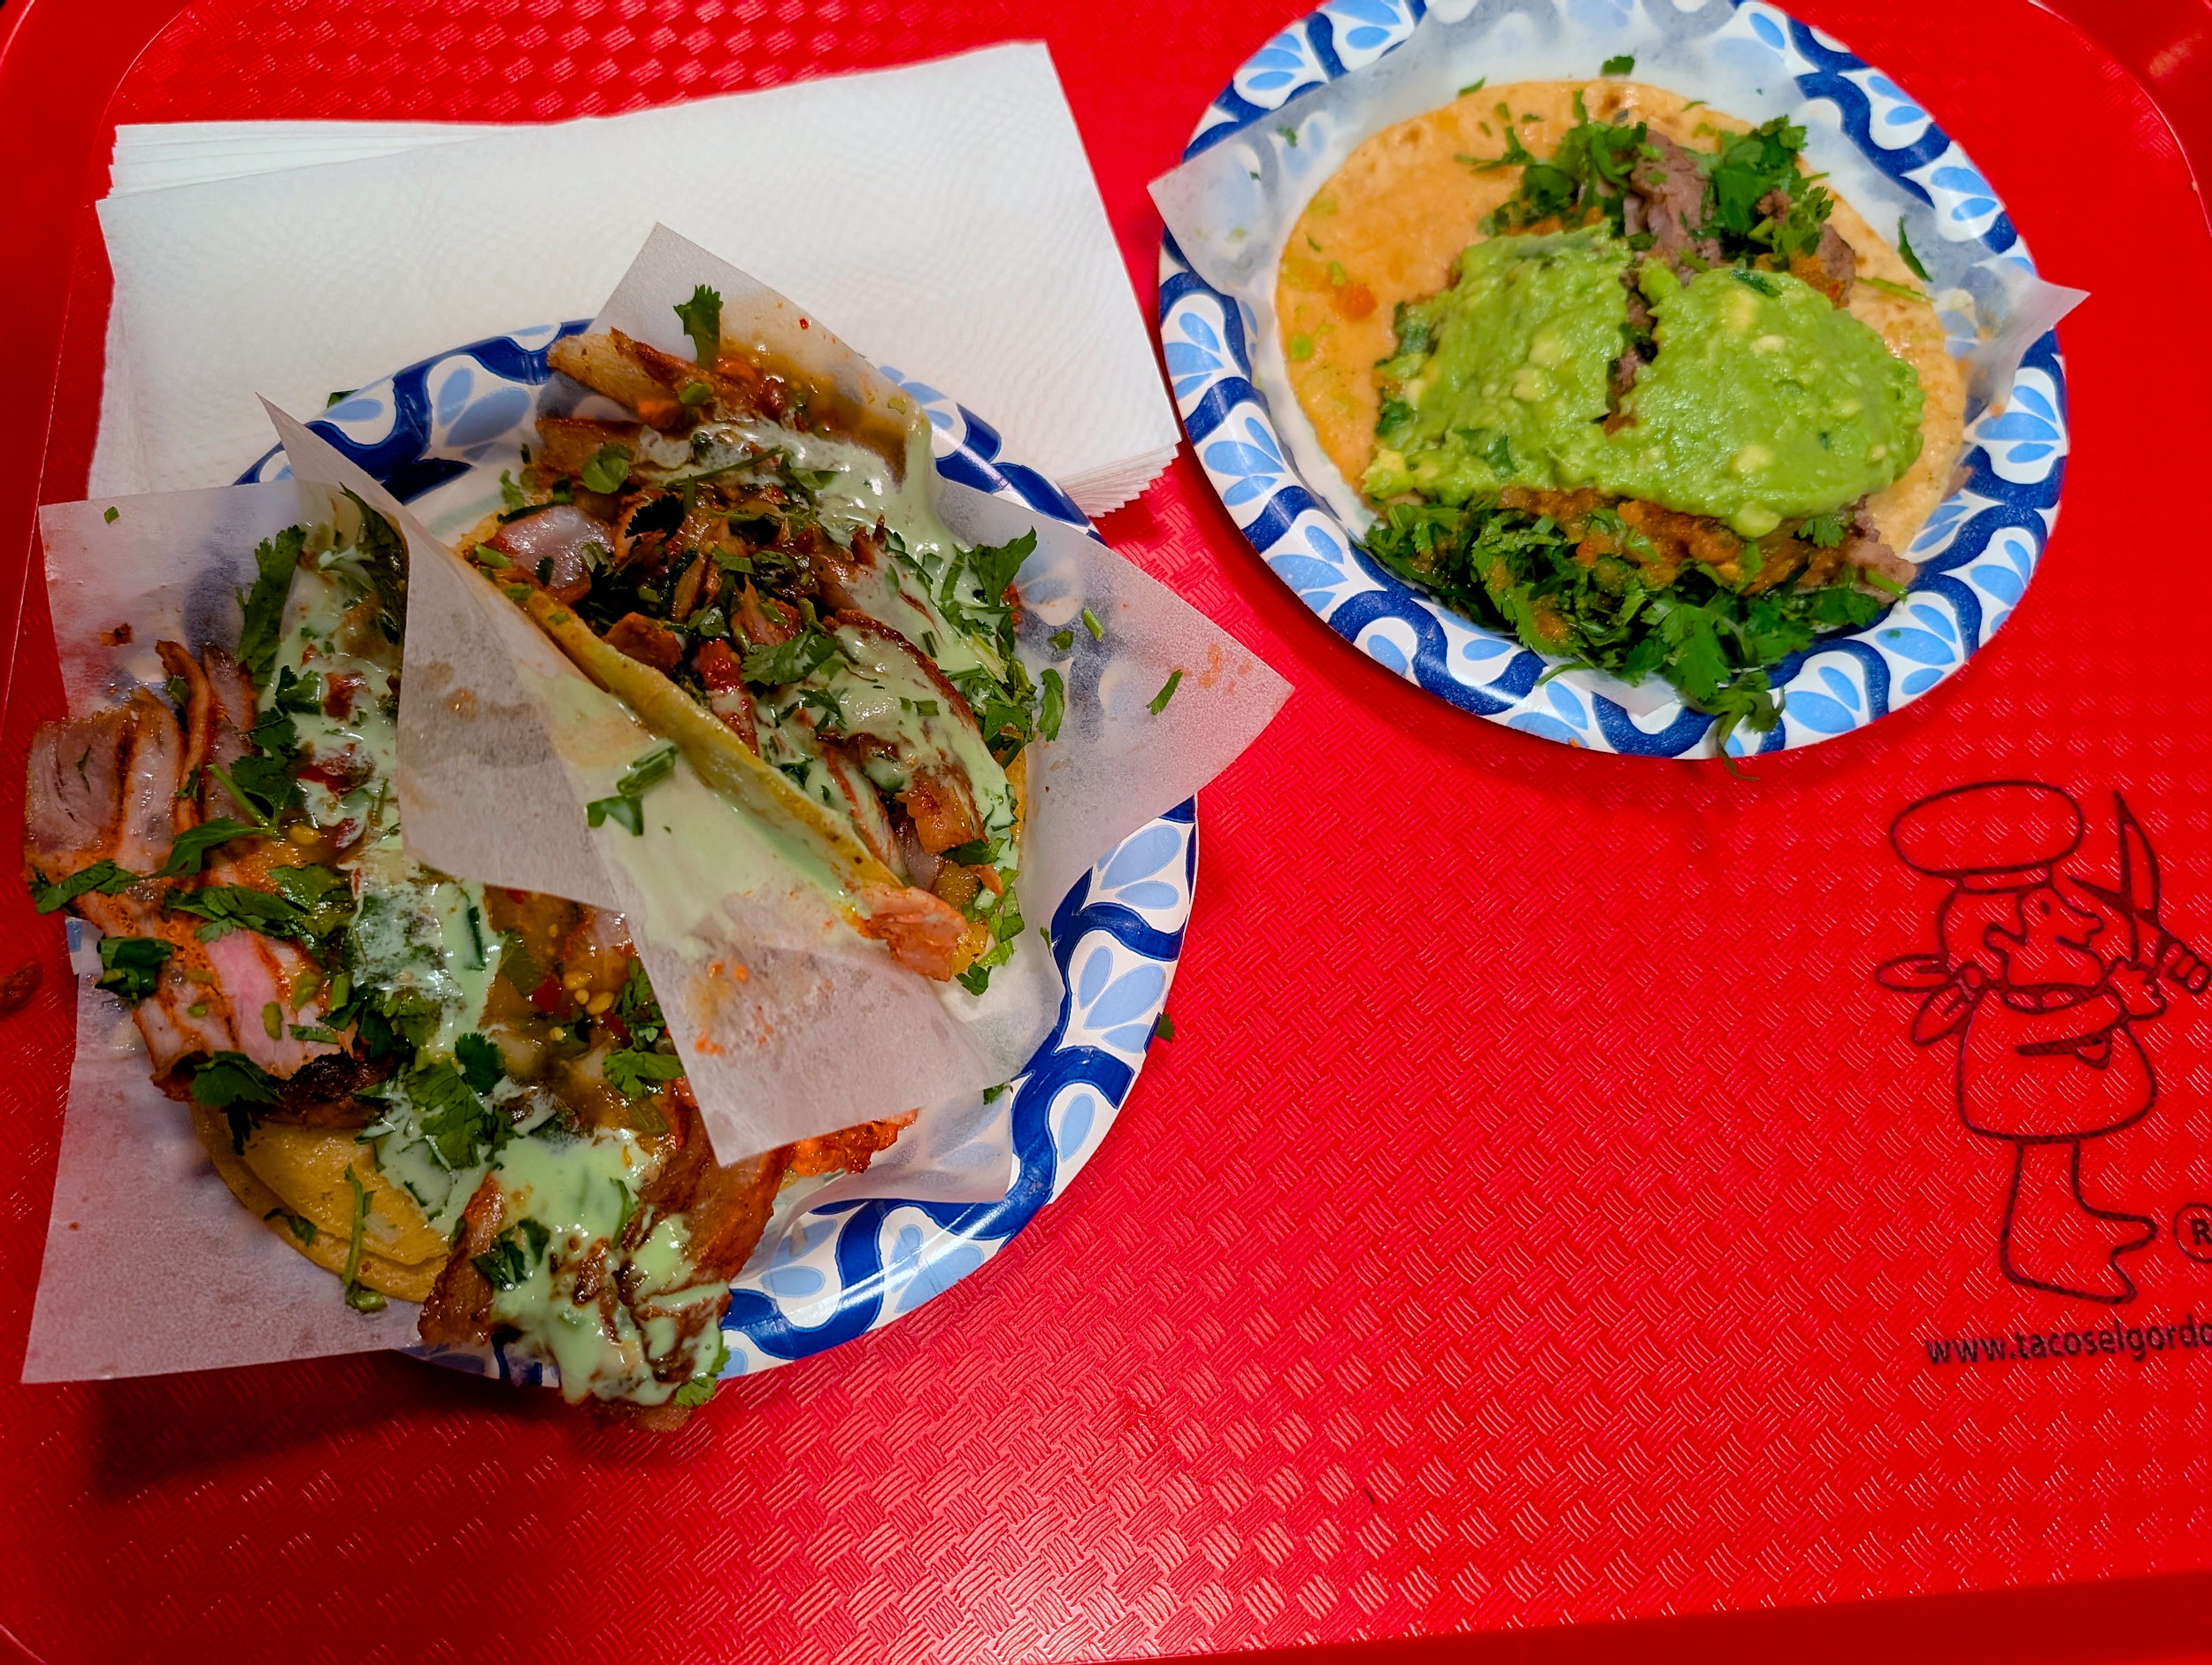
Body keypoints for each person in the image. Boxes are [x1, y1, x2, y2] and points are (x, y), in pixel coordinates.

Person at [1877, 781, 2200, 1304]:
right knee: (2043, 1154)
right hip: (2022, 1091)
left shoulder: (2054, 954)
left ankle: (2070, 1219)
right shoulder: (2000, 1002)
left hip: (2062, 1087)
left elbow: (2114, 940)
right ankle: (2038, 1252)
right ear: (2001, 938)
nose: (2090, 922)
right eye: (2051, 911)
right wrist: (2116, 1003)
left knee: (2058, 1153)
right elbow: (2034, 1031)